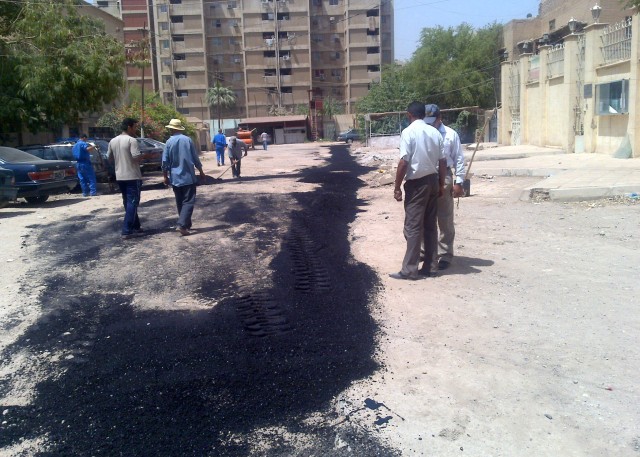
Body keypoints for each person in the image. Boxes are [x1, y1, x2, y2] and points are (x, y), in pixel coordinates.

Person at [390, 101, 446, 280]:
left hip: (417, 185)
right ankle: (431, 267)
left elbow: (404, 162)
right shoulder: (434, 132)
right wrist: (441, 184)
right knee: (430, 226)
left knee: (413, 227)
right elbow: (443, 161)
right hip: (432, 181)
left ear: (409, 115)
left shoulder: (408, 132)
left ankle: (410, 270)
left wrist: (397, 187)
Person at [424, 104, 466, 271]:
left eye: (432, 121)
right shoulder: (424, 132)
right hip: (426, 175)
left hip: (445, 176)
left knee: (444, 217)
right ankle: (424, 252)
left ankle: (445, 254)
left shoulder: (450, 134)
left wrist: (459, 182)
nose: (429, 124)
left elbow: (459, 159)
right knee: (424, 217)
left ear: (440, 119)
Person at [162, 119, 205, 236]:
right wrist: (201, 171)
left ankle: (186, 224)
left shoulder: (168, 142)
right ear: (179, 128)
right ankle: (182, 224)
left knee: (180, 202)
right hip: (188, 177)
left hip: (175, 178)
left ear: (172, 129)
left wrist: (165, 176)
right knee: (189, 201)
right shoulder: (187, 140)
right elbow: (195, 158)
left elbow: (165, 161)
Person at [107, 118, 147, 240]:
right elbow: (135, 157)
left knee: (128, 202)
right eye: (135, 127)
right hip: (132, 176)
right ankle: (126, 230)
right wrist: (145, 156)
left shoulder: (113, 141)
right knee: (133, 202)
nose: (135, 130)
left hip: (120, 176)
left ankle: (136, 226)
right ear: (129, 127)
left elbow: (109, 158)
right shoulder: (131, 140)